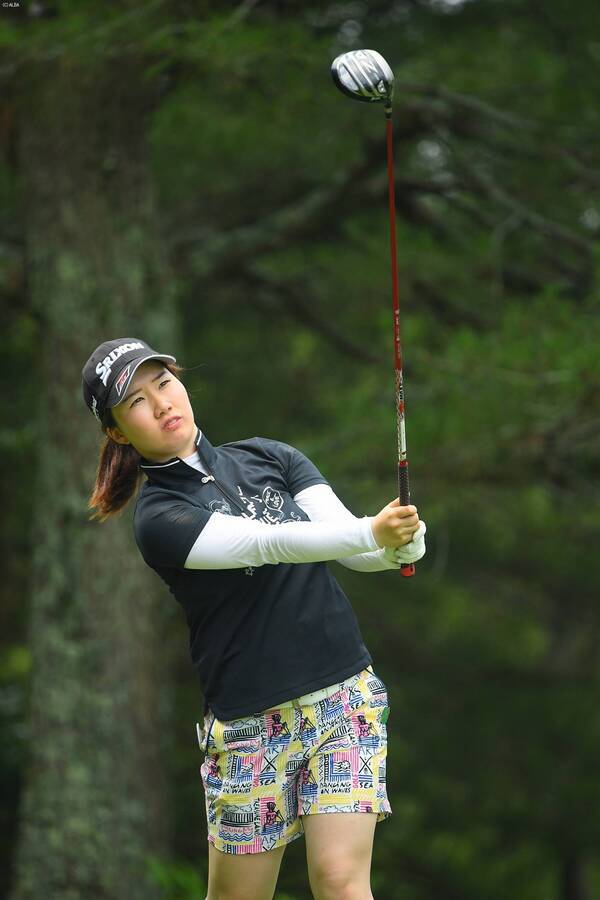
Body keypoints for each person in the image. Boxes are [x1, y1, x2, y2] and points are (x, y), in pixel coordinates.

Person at [82, 337, 427, 900]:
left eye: (164, 383)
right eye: (138, 402)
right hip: (250, 725)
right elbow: (265, 543)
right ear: (118, 431)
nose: (162, 403)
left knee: (342, 882)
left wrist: (401, 545)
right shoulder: (158, 517)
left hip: (343, 699)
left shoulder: (271, 457)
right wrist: (372, 531)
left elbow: (352, 547)